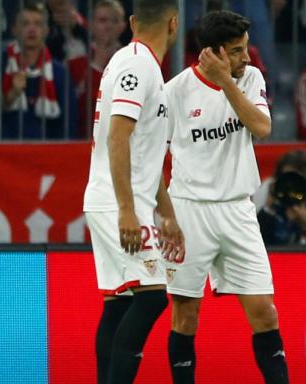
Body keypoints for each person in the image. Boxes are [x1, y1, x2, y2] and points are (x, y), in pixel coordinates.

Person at [161, 10, 288, 384]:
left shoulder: (249, 79)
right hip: (189, 211)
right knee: (185, 316)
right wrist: (165, 215)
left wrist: (225, 82)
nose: (246, 58)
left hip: (238, 210)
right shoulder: (175, 91)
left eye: (245, 49)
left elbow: (262, 127)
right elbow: (151, 158)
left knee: (265, 312)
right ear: (212, 53)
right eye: (236, 51)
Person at [81, 1, 182, 383]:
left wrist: (167, 212)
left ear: (134, 22)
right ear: (174, 24)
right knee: (153, 296)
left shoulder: (135, 62)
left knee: (119, 305)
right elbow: (118, 136)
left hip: (120, 199)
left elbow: (144, 151)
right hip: (117, 202)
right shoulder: (138, 65)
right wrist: (127, 210)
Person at [1, 2, 76, 140]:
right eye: (25, 24)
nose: (32, 29)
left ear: (46, 30)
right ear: (14, 29)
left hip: (47, 155)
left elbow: (68, 125)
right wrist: (11, 95)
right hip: (3, 153)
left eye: (38, 24)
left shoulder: (59, 72)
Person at [69, 0, 127, 138]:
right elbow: (77, 110)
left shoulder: (132, 62)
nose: (108, 26)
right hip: (85, 142)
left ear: (123, 26)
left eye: (115, 21)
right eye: (102, 20)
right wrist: (96, 65)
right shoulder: (75, 64)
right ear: (91, 25)